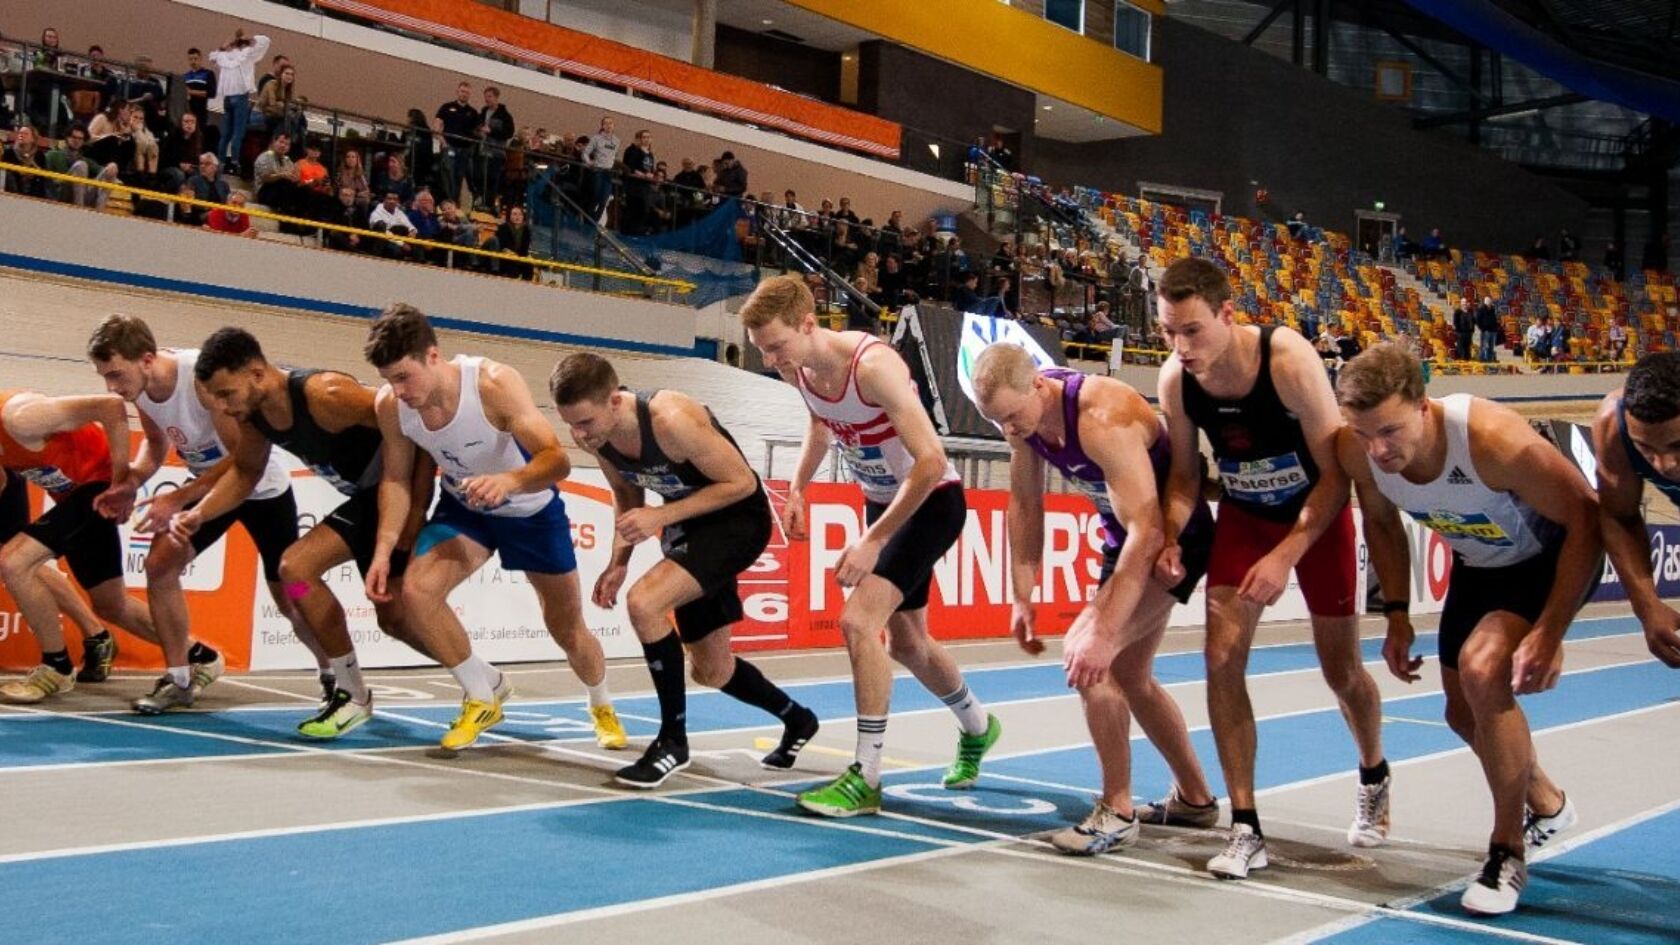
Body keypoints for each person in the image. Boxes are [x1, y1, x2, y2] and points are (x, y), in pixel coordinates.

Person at [1337, 343, 1599, 915]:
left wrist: (1551, 629)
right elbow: (1380, 523)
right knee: (1460, 715)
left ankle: (1506, 853)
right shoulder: (1358, 452)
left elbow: (1587, 518)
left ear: (1423, 405)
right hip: (1478, 566)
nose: (1378, 450)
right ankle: (1550, 805)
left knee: (1484, 672)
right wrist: (1398, 614)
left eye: (1390, 431)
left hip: (1545, 560)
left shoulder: (1490, 440)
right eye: (1363, 434)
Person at [1154, 257, 1389, 879]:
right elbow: (1183, 475)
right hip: (1243, 517)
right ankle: (1246, 825)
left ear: (1229, 315)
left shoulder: (1287, 361)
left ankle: (1372, 769)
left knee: (1341, 672)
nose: (1181, 348)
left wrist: (1288, 554)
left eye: (1193, 331)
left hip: (1316, 519)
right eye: (1169, 333)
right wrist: (1171, 535)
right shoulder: (1176, 380)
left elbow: (1336, 472)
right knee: (1220, 660)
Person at [740, 274, 1000, 817]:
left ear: (809, 324)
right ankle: (978, 726)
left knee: (859, 621)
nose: (770, 361)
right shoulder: (800, 367)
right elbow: (820, 424)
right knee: (909, 646)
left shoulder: (874, 367)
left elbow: (929, 461)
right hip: (884, 504)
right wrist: (799, 489)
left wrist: (871, 541)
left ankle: (867, 775)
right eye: (763, 350)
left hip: (931, 501)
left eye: (776, 346)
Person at [972, 344, 1220, 854]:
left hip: (1173, 539)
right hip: (1124, 540)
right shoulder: (1021, 419)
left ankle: (1117, 808)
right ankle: (1195, 799)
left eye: (1014, 417)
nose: (1011, 430)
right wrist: (1023, 593)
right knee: (1130, 675)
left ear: (1038, 385)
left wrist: (1103, 631)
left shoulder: (1104, 416)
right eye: (999, 422)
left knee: (1091, 661)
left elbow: (1150, 531)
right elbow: (1024, 502)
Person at [360, 305, 626, 751]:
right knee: (417, 593)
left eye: (403, 377)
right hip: (466, 511)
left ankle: (601, 705)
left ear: (432, 356)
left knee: (567, 629)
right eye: (389, 379)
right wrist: (384, 548)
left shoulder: (491, 384)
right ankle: (482, 696)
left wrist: (509, 481)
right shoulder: (391, 406)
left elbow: (556, 461)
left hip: (530, 511)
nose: (398, 390)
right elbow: (396, 478)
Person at [552, 353, 819, 786]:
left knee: (645, 603)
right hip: (687, 525)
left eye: (585, 422)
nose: (579, 435)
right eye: (571, 424)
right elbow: (627, 494)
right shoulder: (597, 438)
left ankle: (673, 742)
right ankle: (798, 719)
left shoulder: (671, 418)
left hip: (738, 520)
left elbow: (743, 485)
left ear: (615, 401)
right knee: (711, 669)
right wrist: (618, 562)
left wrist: (660, 518)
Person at [163, 328, 432, 737]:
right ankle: (481, 681)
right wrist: (199, 513)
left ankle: (357, 693)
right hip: (365, 499)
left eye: (225, 394)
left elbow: (413, 423)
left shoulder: (326, 395)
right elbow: (246, 471)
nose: (221, 407)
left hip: (394, 496)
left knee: (296, 568)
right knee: (391, 619)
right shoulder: (254, 417)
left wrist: (413, 512)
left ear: (255, 374)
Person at [86, 314, 329, 712]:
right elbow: (154, 442)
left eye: (115, 375)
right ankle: (180, 678)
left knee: (292, 595)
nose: (112, 387)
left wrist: (178, 498)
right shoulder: (141, 391)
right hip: (207, 492)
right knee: (160, 565)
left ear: (147, 359)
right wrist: (131, 481)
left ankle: (330, 671)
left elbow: (242, 462)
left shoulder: (201, 380)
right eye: (105, 377)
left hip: (259, 490)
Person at [0, 388, 165, 703]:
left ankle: (56, 666)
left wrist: (121, 484)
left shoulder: (21, 417)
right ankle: (199, 654)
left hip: (96, 490)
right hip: (75, 497)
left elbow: (111, 405)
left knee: (14, 560)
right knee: (112, 605)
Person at [1591, 352, 1680, 669]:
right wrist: (1647, 606)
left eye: (1677, 446)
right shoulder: (1613, 429)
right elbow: (1619, 516)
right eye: (1647, 449)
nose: (1663, 465)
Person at [207, 29, 270, 174]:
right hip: (240, 95)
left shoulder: (225, 55)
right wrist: (250, 39)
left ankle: (221, 161)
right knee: (238, 132)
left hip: (227, 97)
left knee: (225, 133)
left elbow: (212, 56)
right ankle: (234, 162)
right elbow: (265, 41)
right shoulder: (247, 54)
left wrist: (226, 45)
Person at [1476, 296, 1501, 363]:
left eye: (1490, 301)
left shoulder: (1493, 309)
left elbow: (1495, 319)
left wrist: (1496, 327)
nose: (1490, 302)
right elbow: (1478, 320)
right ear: (1485, 302)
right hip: (1485, 331)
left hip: (1493, 331)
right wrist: (1482, 328)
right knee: (1484, 346)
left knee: (1491, 347)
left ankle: (1490, 361)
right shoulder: (1481, 309)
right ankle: (1482, 360)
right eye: (1488, 301)